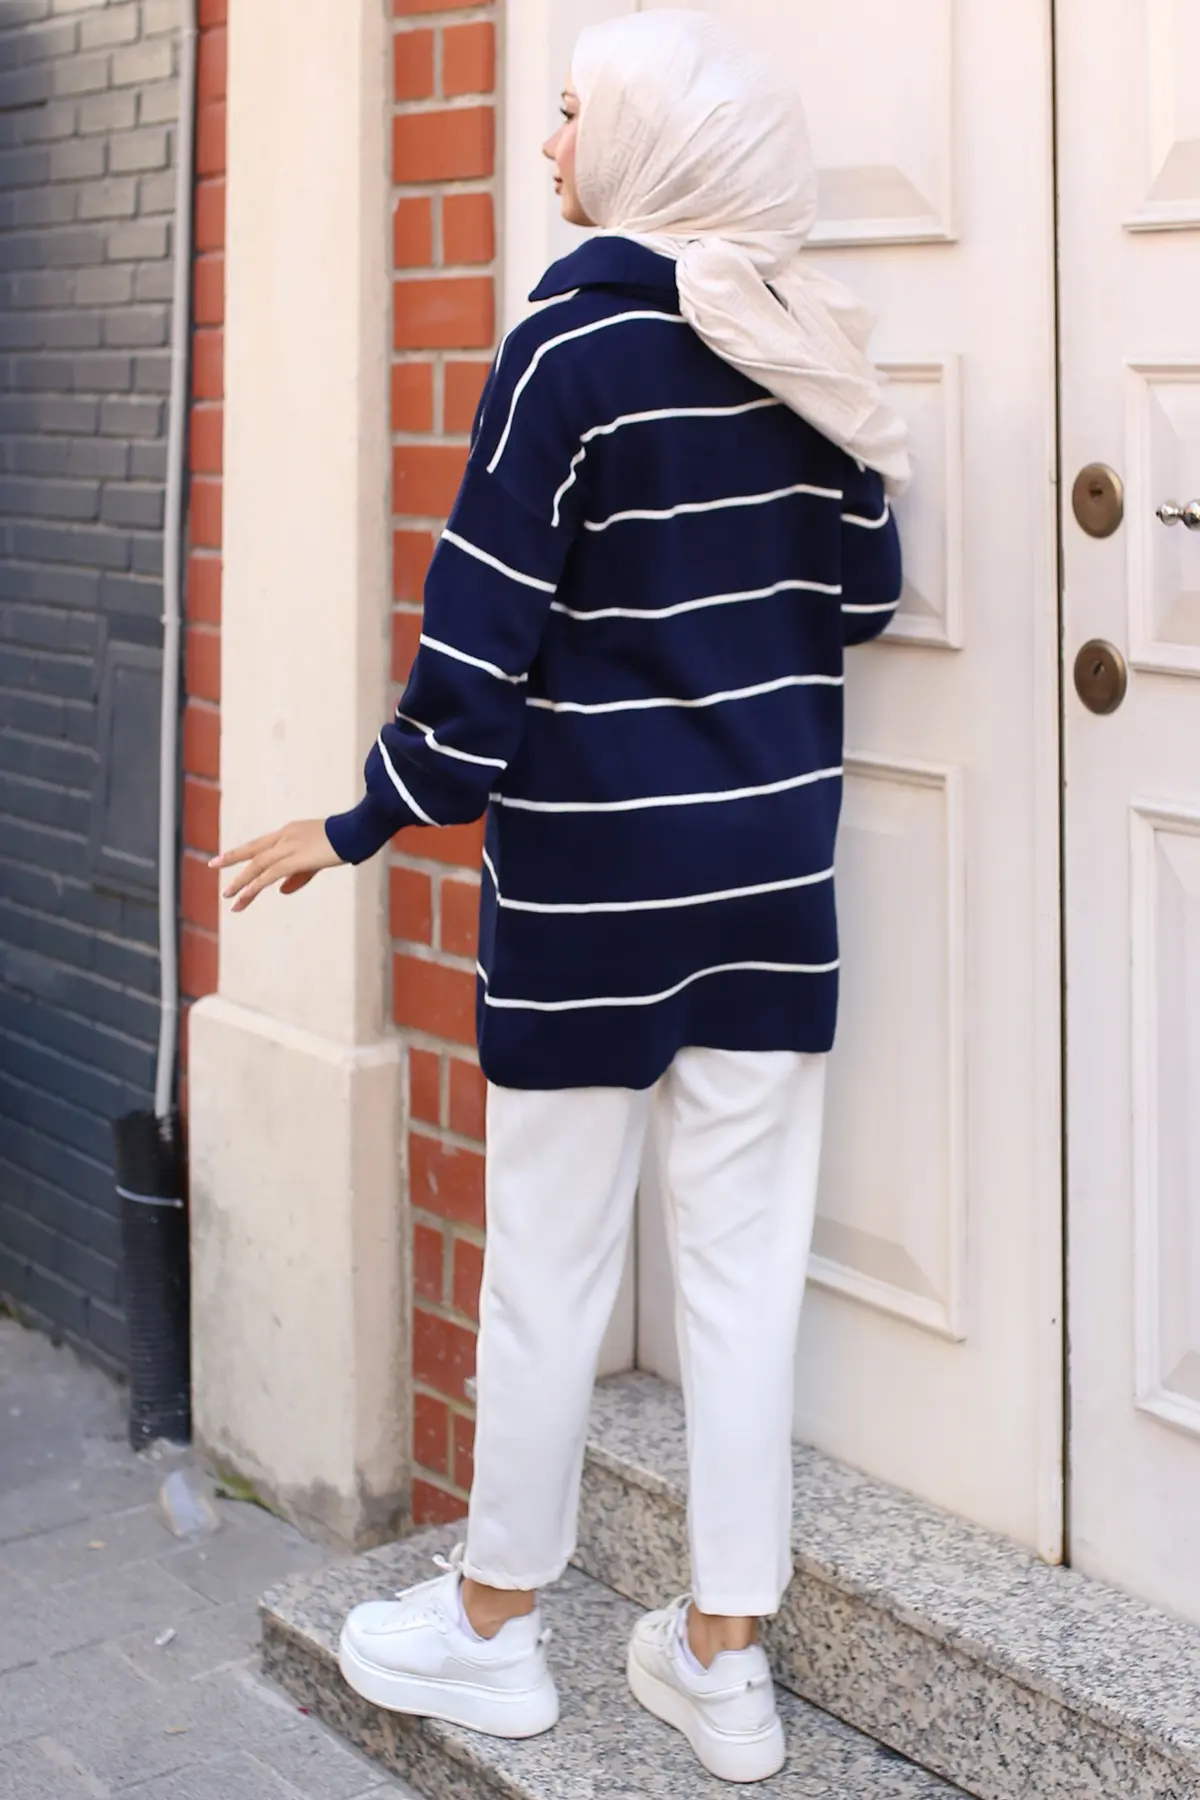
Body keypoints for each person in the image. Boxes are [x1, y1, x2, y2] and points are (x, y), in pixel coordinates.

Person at [213, 9, 908, 1785]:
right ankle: (725, 1667)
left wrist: (361, 818)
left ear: (654, 145)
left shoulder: (569, 352)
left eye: (574, 113)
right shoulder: (808, 344)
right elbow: (866, 601)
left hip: (597, 891)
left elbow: (479, 654)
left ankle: (498, 1635)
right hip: (772, 882)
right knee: (745, 1282)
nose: (546, 144)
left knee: (547, 1272)